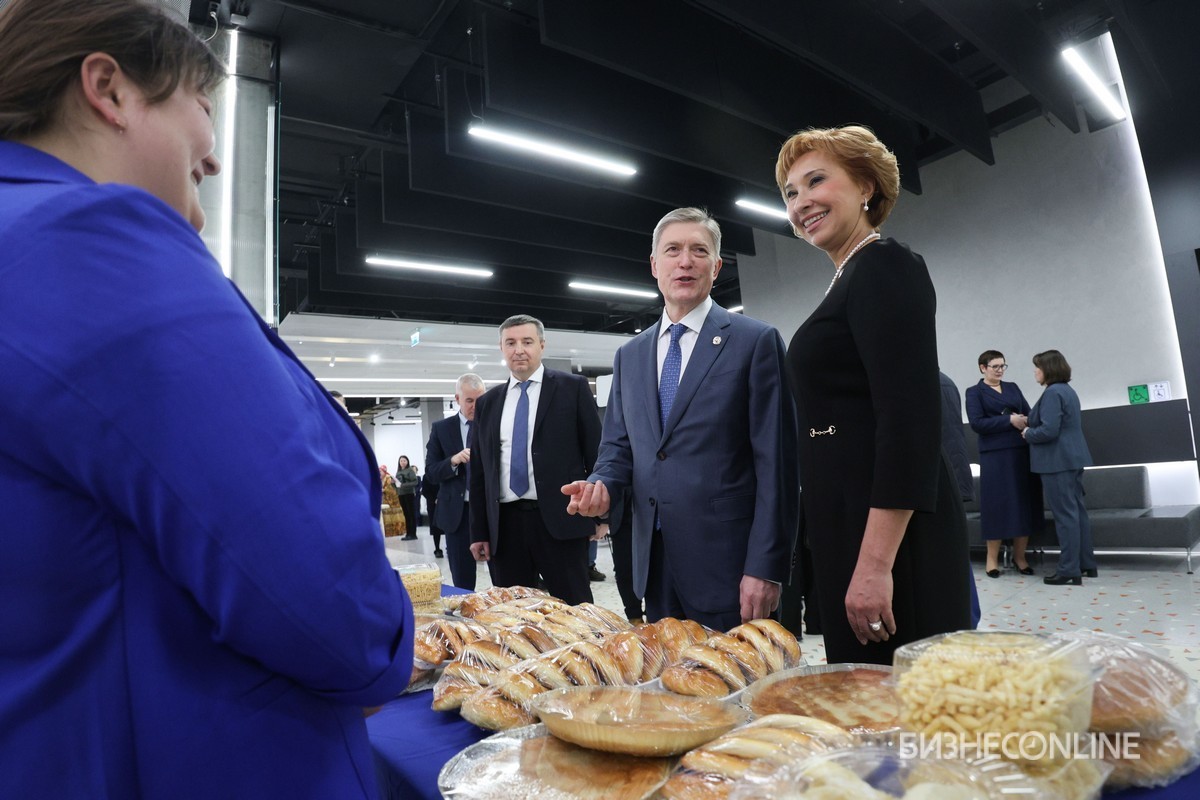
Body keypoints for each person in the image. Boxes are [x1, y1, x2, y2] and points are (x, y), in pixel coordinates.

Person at [0, 1, 413, 796]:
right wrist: (384, 648)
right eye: (200, 103)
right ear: (109, 89)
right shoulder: (93, 242)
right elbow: (329, 603)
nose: (216, 157)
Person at [776, 125, 972, 664]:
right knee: (864, 693)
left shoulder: (886, 265)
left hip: (891, 540)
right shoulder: (850, 275)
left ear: (865, 186)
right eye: (791, 193)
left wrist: (875, 565)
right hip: (852, 524)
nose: (800, 201)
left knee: (899, 695)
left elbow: (909, 423)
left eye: (816, 181)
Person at [563, 207, 800, 631]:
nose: (685, 261)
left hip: (731, 566)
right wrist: (601, 484)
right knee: (669, 674)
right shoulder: (630, 355)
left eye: (699, 250)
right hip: (654, 563)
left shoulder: (754, 342)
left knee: (738, 674)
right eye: (672, 250)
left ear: (717, 266)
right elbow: (618, 446)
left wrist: (766, 566)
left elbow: (777, 466)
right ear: (655, 265)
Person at [469, 315, 603, 605]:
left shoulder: (573, 388)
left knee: (576, 607)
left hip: (561, 520)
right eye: (511, 343)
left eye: (527, 342)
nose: (519, 350)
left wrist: (601, 515)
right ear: (501, 348)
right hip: (505, 527)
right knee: (512, 613)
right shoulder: (488, 403)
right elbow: (479, 471)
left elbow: (597, 454)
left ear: (542, 345)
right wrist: (479, 531)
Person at [965, 350, 1043, 577]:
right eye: (995, 366)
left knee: (1023, 503)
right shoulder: (974, 392)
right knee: (996, 505)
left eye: (1003, 366)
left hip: (1021, 450)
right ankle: (992, 560)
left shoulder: (1013, 387)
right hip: (995, 455)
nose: (1000, 370)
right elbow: (977, 423)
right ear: (983, 368)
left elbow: (1028, 412)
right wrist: (1009, 419)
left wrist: (1025, 420)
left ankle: (1020, 557)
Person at [1023, 350, 1097, 585]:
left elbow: (1049, 430)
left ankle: (1068, 569)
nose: (1035, 371)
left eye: (1038, 367)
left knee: (1065, 516)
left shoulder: (1052, 393)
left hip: (1056, 461)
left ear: (1048, 369)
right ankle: (1085, 564)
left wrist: (1027, 432)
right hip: (1072, 458)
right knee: (1077, 513)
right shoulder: (1067, 390)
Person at [425, 373, 486, 590]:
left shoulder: (494, 425)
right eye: (469, 400)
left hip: (491, 511)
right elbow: (431, 472)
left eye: (480, 400)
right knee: (462, 580)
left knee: (503, 576)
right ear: (457, 399)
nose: (475, 406)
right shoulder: (442, 429)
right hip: (457, 515)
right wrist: (453, 461)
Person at [940, 371, 982, 629]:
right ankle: (967, 618)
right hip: (954, 476)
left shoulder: (922, 381)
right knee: (955, 554)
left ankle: (962, 619)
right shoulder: (946, 382)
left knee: (949, 558)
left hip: (941, 480)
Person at [395, 455, 420, 540]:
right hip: (401, 494)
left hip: (409, 494)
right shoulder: (398, 472)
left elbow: (415, 482)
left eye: (404, 461)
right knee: (406, 514)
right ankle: (408, 533)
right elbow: (397, 485)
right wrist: (393, 483)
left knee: (411, 514)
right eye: (401, 461)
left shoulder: (410, 470)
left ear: (407, 461)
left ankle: (413, 534)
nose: (402, 462)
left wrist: (403, 485)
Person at [380, 464, 407, 538]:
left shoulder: (388, 478)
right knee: (387, 515)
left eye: (380, 471)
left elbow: (391, 488)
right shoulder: (380, 479)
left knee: (395, 515)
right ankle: (389, 532)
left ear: (384, 472)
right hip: (386, 500)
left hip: (393, 500)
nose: (379, 473)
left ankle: (398, 530)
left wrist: (384, 490)